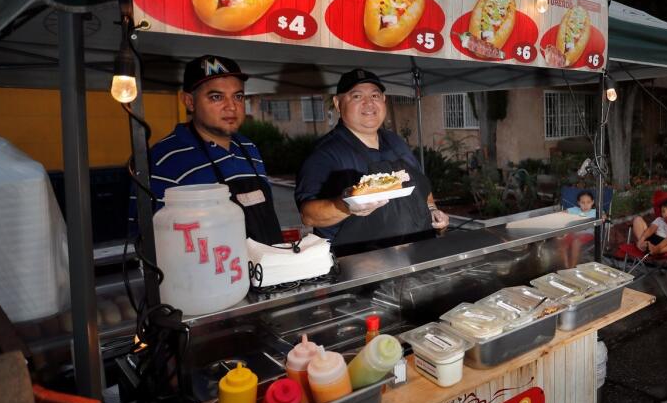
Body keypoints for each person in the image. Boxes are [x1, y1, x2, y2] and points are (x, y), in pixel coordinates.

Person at [295, 69, 449, 256]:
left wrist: (432, 209)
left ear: (383, 100)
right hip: (363, 267)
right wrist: (346, 206)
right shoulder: (325, 153)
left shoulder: (396, 142)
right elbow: (308, 215)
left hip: (418, 256)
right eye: (357, 96)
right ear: (337, 103)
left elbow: (422, 188)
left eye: (375, 95)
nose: (368, 103)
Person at [134, 55, 282, 245]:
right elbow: (145, 240)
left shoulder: (249, 148)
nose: (231, 107)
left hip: (268, 270)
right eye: (216, 97)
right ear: (189, 101)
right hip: (203, 273)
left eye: (238, 96)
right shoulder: (163, 160)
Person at [560, 190, 598, 268]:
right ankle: (566, 265)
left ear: (592, 202)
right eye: (582, 202)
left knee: (576, 242)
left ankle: (572, 266)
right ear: (578, 203)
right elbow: (562, 213)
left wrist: (603, 217)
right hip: (574, 233)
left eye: (588, 202)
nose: (585, 205)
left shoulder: (595, 212)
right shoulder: (575, 210)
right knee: (562, 243)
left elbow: (603, 216)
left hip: (588, 234)